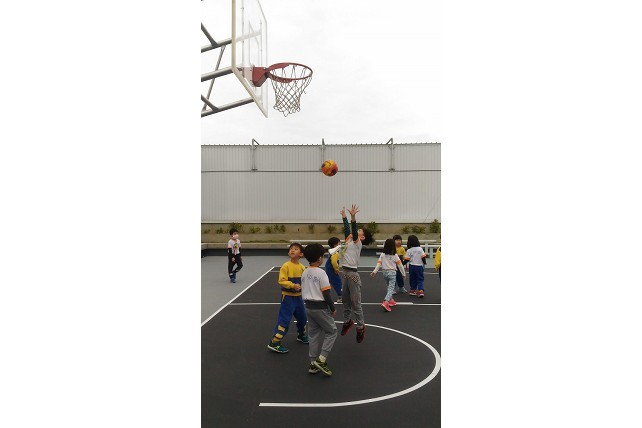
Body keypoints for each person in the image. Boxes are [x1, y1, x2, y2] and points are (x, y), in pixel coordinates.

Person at [338, 205, 374, 343]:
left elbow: (352, 229)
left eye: (359, 231)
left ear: (362, 237)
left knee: (355, 303)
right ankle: (347, 321)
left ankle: (360, 326)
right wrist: (344, 217)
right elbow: (348, 230)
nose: (356, 231)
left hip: (353, 276)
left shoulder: (357, 243)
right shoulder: (349, 239)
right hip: (345, 274)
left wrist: (353, 217)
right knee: (345, 301)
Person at [301, 243, 338, 376]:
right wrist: (332, 308)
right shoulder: (321, 273)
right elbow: (326, 293)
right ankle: (321, 360)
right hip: (320, 308)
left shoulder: (305, 272)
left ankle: (312, 363)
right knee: (332, 331)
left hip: (308, 307)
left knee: (313, 334)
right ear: (319, 258)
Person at [267, 243, 309, 353]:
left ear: (301, 254)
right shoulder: (286, 266)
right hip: (288, 298)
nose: (292, 250)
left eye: (295, 249)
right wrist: (292, 285)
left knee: (303, 318)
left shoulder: (302, 267)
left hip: (298, 298)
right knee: (284, 320)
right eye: (291, 249)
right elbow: (281, 281)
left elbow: (305, 281)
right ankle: (275, 342)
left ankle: (301, 335)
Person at [371, 238, 406, 312]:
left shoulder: (382, 255)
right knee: (391, 288)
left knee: (388, 286)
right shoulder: (395, 255)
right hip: (392, 273)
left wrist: (374, 271)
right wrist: (403, 274)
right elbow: (400, 265)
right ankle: (386, 301)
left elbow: (379, 264)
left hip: (384, 273)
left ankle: (391, 299)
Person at [325, 237, 343, 303]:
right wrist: (336, 269)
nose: (340, 245)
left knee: (328, 283)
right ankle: (340, 296)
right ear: (335, 245)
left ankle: (324, 295)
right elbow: (334, 262)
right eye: (339, 243)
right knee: (337, 282)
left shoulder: (332, 251)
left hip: (329, 269)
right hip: (331, 270)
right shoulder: (335, 253)